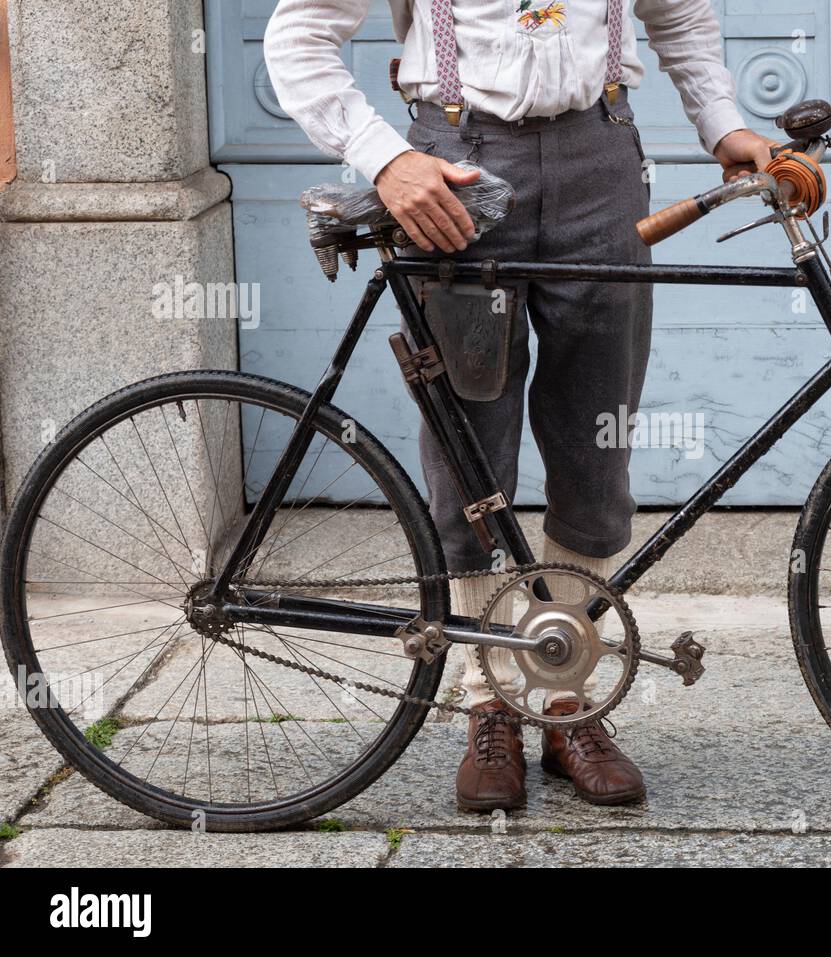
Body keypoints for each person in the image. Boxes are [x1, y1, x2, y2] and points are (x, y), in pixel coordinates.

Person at [264, 0, 775, 812]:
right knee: (470, 460)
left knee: (595, 454)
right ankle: (486, 700)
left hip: (602, 166)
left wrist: (724, 125)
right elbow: (299, 34)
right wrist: (386, 159)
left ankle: (566, 696)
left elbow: (677, 14)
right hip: (455, 169)